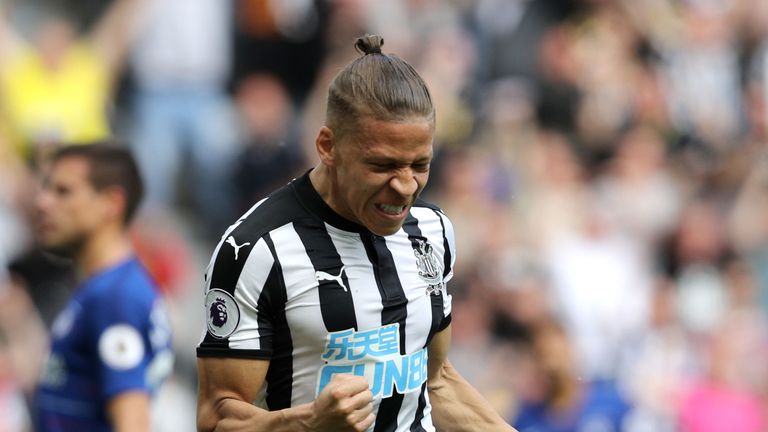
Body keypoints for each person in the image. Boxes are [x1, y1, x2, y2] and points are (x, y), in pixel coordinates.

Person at [196, 34, 516, 432]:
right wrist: (310, 423)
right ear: (328, 146)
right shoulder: (257, 249)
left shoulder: (432, 232)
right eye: (382, 165)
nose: (405, 186)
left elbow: (435, 383)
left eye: (420, 164)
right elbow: (216, 419)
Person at [32, 143, 174, 431]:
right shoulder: (104, 288)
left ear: (112, 203)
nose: (42, 203)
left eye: (63, 191)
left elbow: (132, 423)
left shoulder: (114, 298)